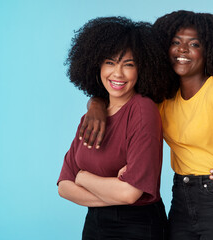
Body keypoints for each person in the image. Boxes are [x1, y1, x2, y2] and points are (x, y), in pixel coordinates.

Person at [79, 11, 213, 240]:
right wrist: (96, 105)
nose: (182, 49)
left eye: (194, 44)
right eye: (176, 42)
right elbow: (119, 93)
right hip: (181, 199)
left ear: (209, 50)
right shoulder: (164, 97)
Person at [57, 16, 177, 240]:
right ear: (97, 65)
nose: (118, 74)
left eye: (128, 64)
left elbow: (130, 193)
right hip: (94, 224)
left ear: (143, 68)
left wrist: (83, 178)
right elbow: (64, 186)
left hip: (137, 226)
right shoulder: (91, 117)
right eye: (110, 62)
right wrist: (112, 191)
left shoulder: (143, 110)